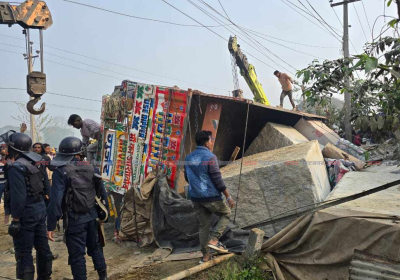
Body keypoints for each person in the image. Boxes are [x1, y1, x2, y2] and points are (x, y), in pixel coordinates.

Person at [47, 136, 108, 280]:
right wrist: (102, 215)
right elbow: (102, 193)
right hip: (92, 216)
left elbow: (55, 200)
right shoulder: (92, 167)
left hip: (74, 220)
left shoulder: (61, 171)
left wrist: (50, 225)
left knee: (77, 255)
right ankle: (103, 277)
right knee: (96, 248)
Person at [4, 132, 53, 280]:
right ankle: (45, 277)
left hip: (26, 212)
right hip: (39, 209)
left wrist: (16, 220)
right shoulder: (36, 162)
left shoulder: (16, 167)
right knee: (42, 247)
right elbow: (46, 185)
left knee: (24, 252)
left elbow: (19, 196)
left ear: (15, 148)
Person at [184, 130, 235, 263]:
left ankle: (205, 256)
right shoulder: (210, 157)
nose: (212, 142)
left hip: (196, 198)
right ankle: (214, 239)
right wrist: (228, 197)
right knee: (226, 213)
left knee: (203, 226)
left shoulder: (188, 158)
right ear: (207, 143)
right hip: (211, 197)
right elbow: (218, 180)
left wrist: (197, 187)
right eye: (211, 140)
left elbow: (186, 177)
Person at [0, 144, 9, 225]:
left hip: (6, 183)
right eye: (2, 148)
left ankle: (6, 218)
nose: (3, 149)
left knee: (7, 200)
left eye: (4, 148)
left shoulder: (9, 159)